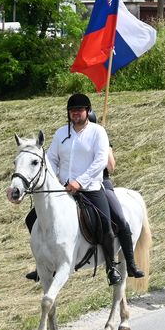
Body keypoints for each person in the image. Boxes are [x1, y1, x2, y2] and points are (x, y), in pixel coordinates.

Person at [24, 108, 144, 281]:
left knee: (118, 218)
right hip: (70, 186)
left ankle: (127, 265)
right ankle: (42, 263)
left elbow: (110, 167)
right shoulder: (69, 138)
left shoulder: (99, 137)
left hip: (99, 184)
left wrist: (105, 147)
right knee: (31, 217)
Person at [40, 93, 121, 285]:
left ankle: (111, 267)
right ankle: (42, 263)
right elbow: (51, 158)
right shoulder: (61, 133)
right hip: (63, 189)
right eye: (72, 111)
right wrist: (53, 180)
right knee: (34, 218)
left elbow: (100, 161)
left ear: (88, 111)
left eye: (79, 110)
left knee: (105, 223)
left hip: (90, 189)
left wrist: (80, 182)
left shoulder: (98, 132)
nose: (75, 113)